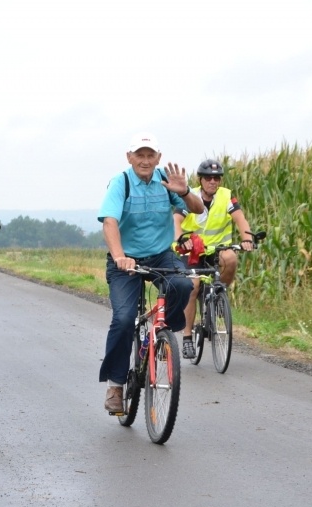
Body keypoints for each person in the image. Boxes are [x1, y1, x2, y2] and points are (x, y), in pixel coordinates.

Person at [97, 133, 204, 413]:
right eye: (139, 155)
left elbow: (198, 209)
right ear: (129, 157)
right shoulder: (121, 183)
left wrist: (183, 192)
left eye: (150, 155)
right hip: (126, 260)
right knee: (122, 319)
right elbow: (109, 222)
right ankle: (115, 385)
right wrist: (120, 256)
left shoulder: (166, 181)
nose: (145, 161)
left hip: (160, 254)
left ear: (158, 158)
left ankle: (160, 333)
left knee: (183, 285)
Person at [172, 158, 254, 359]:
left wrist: (247, 239)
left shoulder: (226, 196)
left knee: (231, 258)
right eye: (208, 177)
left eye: (217, 178)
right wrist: (180, 240)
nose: (213, 181)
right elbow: (177, 220)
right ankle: (188, 337)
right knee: (192, 286)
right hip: (192, 250)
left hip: (216, 250)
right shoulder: (189, 196)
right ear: (200, 180)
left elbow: (240, 219)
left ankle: (218, 294)